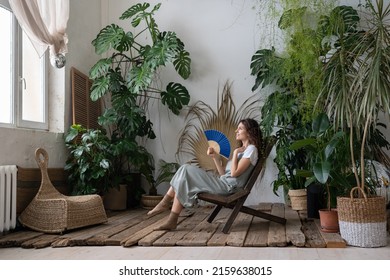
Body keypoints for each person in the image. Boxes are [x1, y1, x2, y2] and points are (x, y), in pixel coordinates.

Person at [147, 118, 262, 230]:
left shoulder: (251, 150)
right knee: (184, 176)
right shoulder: (243, 150)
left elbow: (234, 173)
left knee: (186, 169)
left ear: (249, 132)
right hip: (223, 183)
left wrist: (236, 153)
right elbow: (224, 174)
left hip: (229, 188)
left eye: (240, 128)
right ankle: (171, 217)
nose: (236, 131)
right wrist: (215, 157)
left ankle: (165, 203)